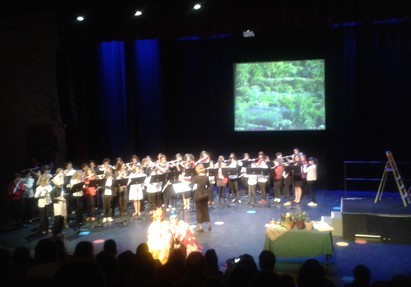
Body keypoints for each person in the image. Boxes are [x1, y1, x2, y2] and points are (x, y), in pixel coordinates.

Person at [190, 164, 211, 232]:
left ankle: (200, 227)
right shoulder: (206, 177)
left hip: (198, 195)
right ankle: (209, 224)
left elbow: (191, 186)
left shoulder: (196, 177)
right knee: (205, 209)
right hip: (205, 195)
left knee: (199, 211)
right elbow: (208, 186)